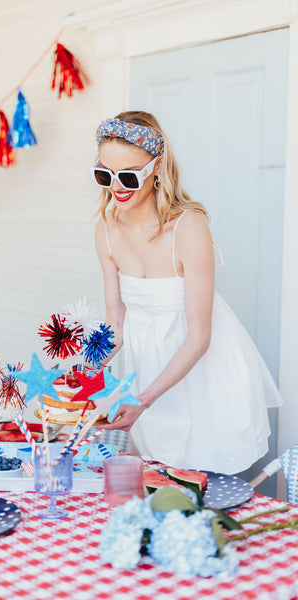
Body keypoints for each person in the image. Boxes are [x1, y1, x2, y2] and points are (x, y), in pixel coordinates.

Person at [92, 110, 282, 474]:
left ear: (157, 167)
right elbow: (115, 323)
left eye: (129, 176)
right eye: (104, 174)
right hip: (148, 370)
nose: (117, 187)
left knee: (205, 480)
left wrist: (143, 400)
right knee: (156, 477)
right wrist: (82, 371)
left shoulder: (189, 227)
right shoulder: (105, 229)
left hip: (202, 368)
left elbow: (199, 337)